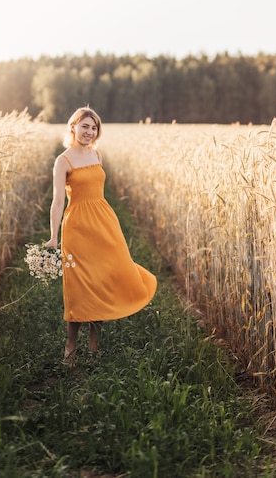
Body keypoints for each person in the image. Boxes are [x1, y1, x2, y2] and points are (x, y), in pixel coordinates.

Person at [45, 106, 157, 365]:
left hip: (105, 223)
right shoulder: (63, 161)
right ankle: (71, 347)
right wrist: (53, 236)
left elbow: (97, 191)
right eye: (84, 126)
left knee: (103, 279)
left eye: (94, 128)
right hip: (77, 228)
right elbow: (57, 201)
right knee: (77, 285)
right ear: (73, 126)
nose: (89, 132)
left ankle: (94, 347)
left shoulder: (97, 154)